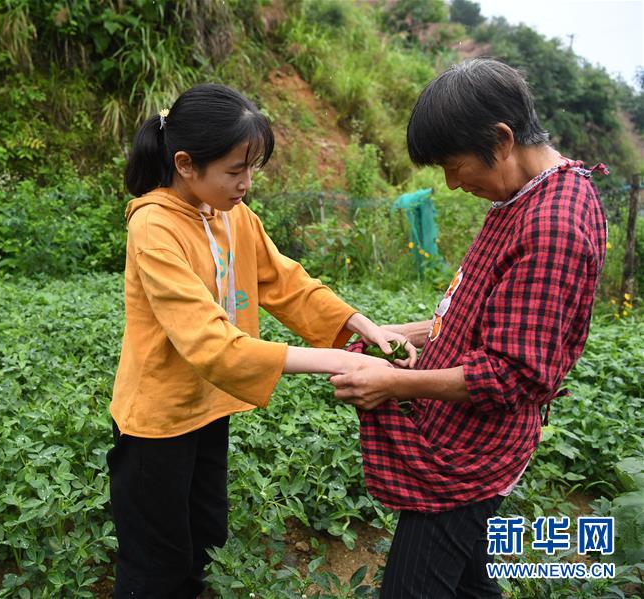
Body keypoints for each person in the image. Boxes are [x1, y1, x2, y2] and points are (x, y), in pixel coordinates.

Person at [109, 83, 416, 598]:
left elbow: (284, 282)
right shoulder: (154, 228)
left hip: (208, 409)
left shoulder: (232, 215)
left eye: (253, 169)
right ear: (185, 164)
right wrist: (338, 361)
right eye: (236, 170)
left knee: (205, 539)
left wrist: (360, 324)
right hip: (157, 423)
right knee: (156, 563)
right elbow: (210, 342)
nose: (246, 184)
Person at [330, 58, 608, 598]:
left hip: (470, 457)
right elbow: (474, 315)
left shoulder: (553, 227)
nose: (452, 184)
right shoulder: (523, 196)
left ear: (502, 140)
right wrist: (402, 333)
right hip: (466, 437)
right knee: (468, 585)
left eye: (454, 166)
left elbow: (511, 374)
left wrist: (393, 383)